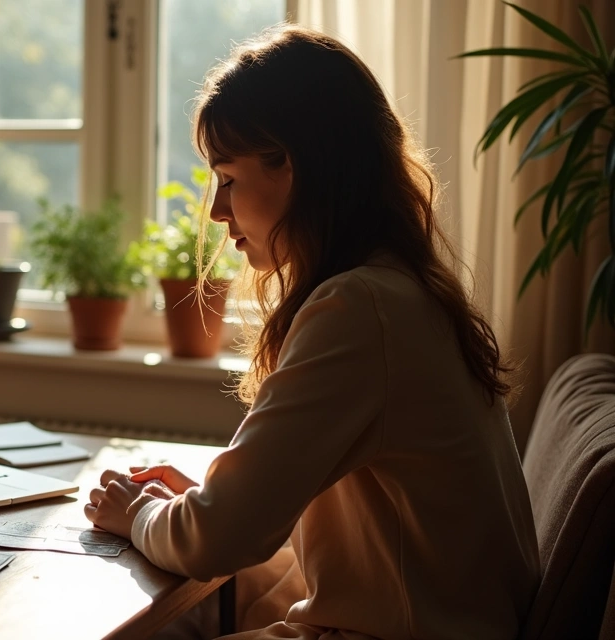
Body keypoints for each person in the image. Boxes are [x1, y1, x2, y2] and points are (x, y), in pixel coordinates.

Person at [85, 25, 539, 640]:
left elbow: (219, 539)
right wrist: (200, 505)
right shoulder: (403, 288)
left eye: (228, 178)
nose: (218, 212)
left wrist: (138, 514)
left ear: (291, 167)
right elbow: (283, 521)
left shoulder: (359, 307)